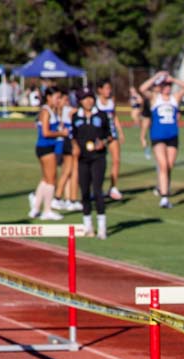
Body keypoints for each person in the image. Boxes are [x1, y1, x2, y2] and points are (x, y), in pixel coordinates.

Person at [138, 70, 184, 207]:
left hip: (172, 136)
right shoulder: (155, 98)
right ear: (160, 87)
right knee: (163, 165)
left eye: (168, 86)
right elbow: (142, 88)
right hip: (158, 136)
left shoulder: (175, 98)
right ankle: (164, 197)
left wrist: (173, 79)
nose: (167, 88)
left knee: (169, 166)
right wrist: (156, 77)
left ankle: (162, 187)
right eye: (164, 85)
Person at [72, 87, 111, 239]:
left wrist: (103, 142)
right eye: (85, 98)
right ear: (80, 101)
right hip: (82, 158)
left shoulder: (101, 116)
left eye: (90, 97)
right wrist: (74, 146)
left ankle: (102, 227)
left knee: (97, 189)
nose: (88, 101)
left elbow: (109, 135)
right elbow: (72, 136)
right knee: (85, 191)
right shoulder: (76, 117)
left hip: (98, 157)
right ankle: (87, 225)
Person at [27, 87, 67, 221]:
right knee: (51, 179)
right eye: (57, 97)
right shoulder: (46, 111)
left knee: (45, 178)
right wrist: (61, 133)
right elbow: (45, 132)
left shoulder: (53, 110)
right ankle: (47, 210)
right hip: (45, 148)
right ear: (49, 97)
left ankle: (36, 208)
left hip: (47, 147)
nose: (59, 100)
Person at [95, 79, 124, 200]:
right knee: (98, 163)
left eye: (109, 88)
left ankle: (113, 187)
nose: (109, 91)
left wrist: (120, 132)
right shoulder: (95, 102)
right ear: (100, 90)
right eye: (106, 88)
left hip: (112, 134)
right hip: (99, 134)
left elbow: (114, 116)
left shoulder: (112, 101)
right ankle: (97, 188)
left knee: (116, 160)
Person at [54, 91, 80, 211]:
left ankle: (67, 198)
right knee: (72, 171)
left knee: (69, 172)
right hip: (70, 142)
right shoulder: (69, 111)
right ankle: (66, 199)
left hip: (67, 142)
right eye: (64, 100)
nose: (66, 102)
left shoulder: (63, 111)